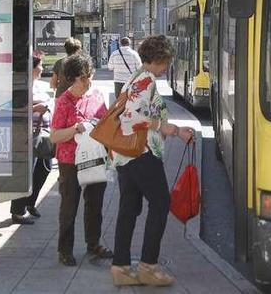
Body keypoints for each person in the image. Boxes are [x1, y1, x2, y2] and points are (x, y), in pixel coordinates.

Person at [110, 35, 195, 287]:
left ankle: (121, 267)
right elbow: (130, 117)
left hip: (126, 155)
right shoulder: (146, 80)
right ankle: (148, 265)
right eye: (166, 62)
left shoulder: (135, 77)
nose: (167, 67)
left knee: (129, 208)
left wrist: (174, 129)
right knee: (160, 203)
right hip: (142, 153)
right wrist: (164, 127)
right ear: (158, 59)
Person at [49, 53, 113, 266]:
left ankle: (93, 243)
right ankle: (65, 250)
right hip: (70, 160)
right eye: (83, 77)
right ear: (71, 79)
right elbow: (55, 136)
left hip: (95, 156)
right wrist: (75, 128)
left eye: (89, 75)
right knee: (69, 205)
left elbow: (105, 123)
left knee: (95, 203)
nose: (88, 81)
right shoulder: (63, 102)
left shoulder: (96, 95)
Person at [10, 52, 53, 225]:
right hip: (26, 135)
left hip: (42, 134)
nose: (42, 68)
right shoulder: (21, 87)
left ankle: (30, 202)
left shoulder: (38, 85)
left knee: (45, 168)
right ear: (32, 67)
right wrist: (36, 108)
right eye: (40, 65)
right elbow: (13, 110)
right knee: (26, 172)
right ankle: (18, 211)